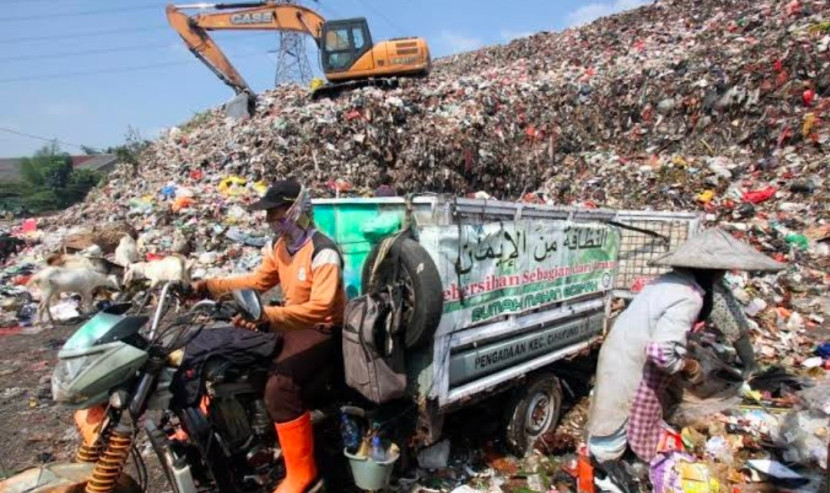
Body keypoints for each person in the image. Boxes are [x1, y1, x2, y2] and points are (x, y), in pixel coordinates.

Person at [586, 228, 784, 491]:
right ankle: (602, 472)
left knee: (613, 412)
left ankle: (603, 466)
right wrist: (686, 366)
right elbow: (660, 353)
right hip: (633, 361)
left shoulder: (665, 281)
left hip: (621, 351)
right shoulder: (689, 296)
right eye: (721, 272)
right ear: (713, 271)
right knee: (618, 419)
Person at [192, 179, 345, 493]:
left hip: (322, 329)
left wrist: (267, 318)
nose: (270, 221)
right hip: (287, 321)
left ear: (296, 209)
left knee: (279, 386)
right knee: (225, 357)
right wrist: (208, 286)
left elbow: (320, 308)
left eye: (276, 213)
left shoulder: (323, 251)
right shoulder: (280, 247)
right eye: (268, 215)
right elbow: (257, 281)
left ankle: (303, 473)